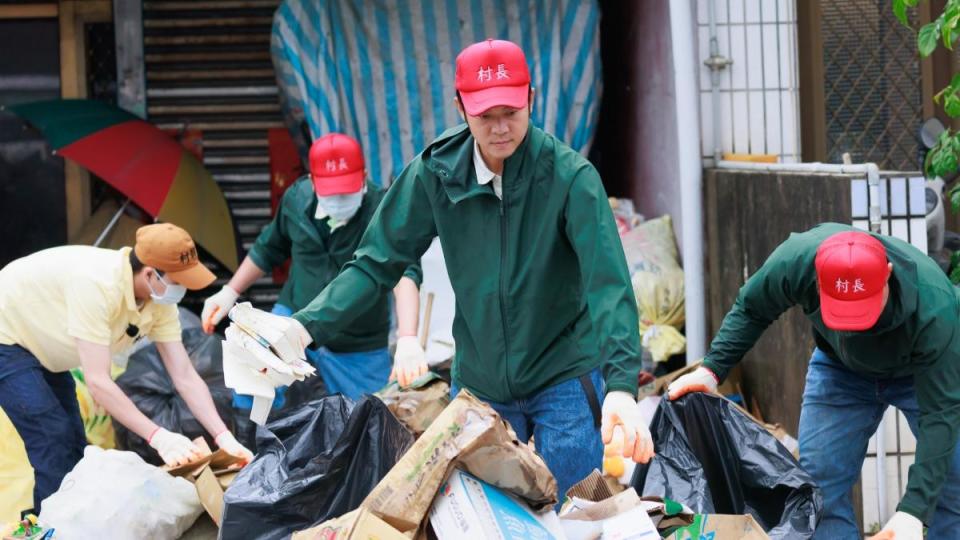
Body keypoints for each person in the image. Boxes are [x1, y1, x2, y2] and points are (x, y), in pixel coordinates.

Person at [270, 39, 653, 498]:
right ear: (460, 106)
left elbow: (607, 286)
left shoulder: (570, 178)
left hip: (564, 374)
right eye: (484, 116)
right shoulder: (435, 173)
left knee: (573, 511)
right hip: (481, 383)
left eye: (510, 111)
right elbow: (374, 263)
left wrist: (621, 387)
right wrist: (303, 328)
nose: (499, 128)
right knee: (484, 515)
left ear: (532, 98)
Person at [667, 223, 960, 540]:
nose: (855, 328)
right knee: (819, 486)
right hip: (840, 369)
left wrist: (912, 513)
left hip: (919, 375)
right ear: (818, 281)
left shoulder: (935, 307)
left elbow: (941, 413)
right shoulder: (797, 261)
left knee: (952, 485)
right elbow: (752, 308)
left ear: (887, 273)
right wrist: (711, 370)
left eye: (861, 313)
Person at [0, 223, 252, 511]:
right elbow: (98, 382)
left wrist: (224, 437)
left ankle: (71, 524)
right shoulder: (96, 286)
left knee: (72, 439)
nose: (181, 290)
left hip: (45, 341)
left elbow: (184, 375)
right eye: (178, 282)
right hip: (8, 335)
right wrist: (159, 437)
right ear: (149, 273)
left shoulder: (159, 302)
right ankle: (49, 529)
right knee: (52, 438)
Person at [202, 133, 426, 400]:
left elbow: (404, 273)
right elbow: (268, 248)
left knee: (371, 417)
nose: (340, 199)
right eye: (332, 192)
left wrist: (408, 337)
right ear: (312, 180)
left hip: (358, 339)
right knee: (256, 388)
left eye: (347, 190)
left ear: (364, 175)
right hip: (292, 316)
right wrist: (229, 292)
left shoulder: (384, 208)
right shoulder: (296, 200)